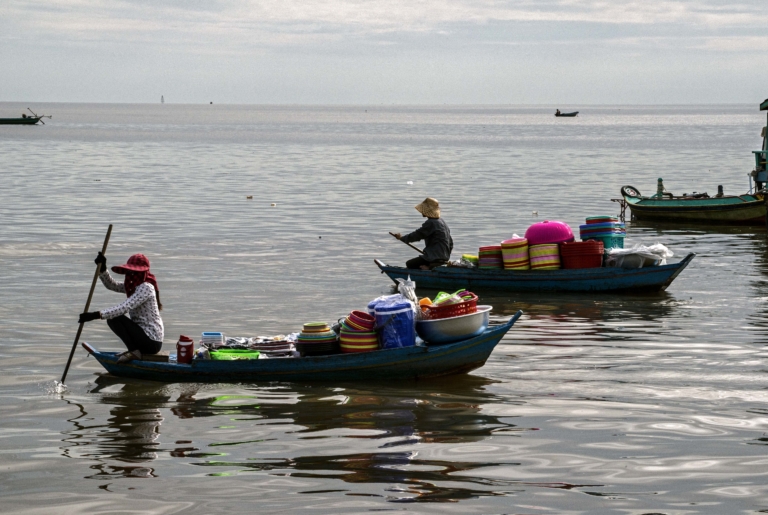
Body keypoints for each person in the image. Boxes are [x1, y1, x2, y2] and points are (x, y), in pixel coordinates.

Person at [78, 252, 164, 363]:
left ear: (142, 273)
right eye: (130, 272)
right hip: (142, 338)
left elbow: (125, 307)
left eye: (135, 272)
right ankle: (133, 350)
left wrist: (95, 315)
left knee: (115, 318)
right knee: (113, 318)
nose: (131, 275)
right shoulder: (133, 286)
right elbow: (112, 285)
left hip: (152, 341)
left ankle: (134, 352)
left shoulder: (146, 287)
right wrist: (103, 269)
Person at [393, 197, 453, 270]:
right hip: (444, 257)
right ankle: (431, 266)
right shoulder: (442, 222)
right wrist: (445, 256)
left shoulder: (431, 223)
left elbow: (417, 235)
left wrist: (402, 238)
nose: (421, 212)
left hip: (435, 257)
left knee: (410, 264)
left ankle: (429, 268)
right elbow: (450, 243)